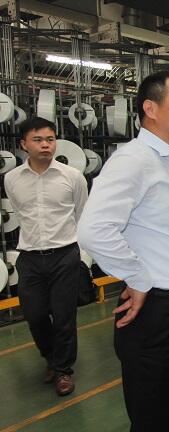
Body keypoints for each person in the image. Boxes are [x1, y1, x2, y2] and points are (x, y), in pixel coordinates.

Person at [77, 71, 169, 432]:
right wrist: (137, 278)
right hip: (158, 313)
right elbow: (94, 230)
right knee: (157, 418)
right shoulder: (134, 160)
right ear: (150, 109)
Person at [4, 116, 88, 396]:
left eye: (50, 139)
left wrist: (80, 253)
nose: (45, 145)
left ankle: (62, 370)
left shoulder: (72, 177)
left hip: (64, 254)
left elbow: (81, 214)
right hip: (29, 257)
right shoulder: (12, 179)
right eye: (38, 140)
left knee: (64, 317)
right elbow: (19, 212)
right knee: (35, 315)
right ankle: (51, 357)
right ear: (23, 144)